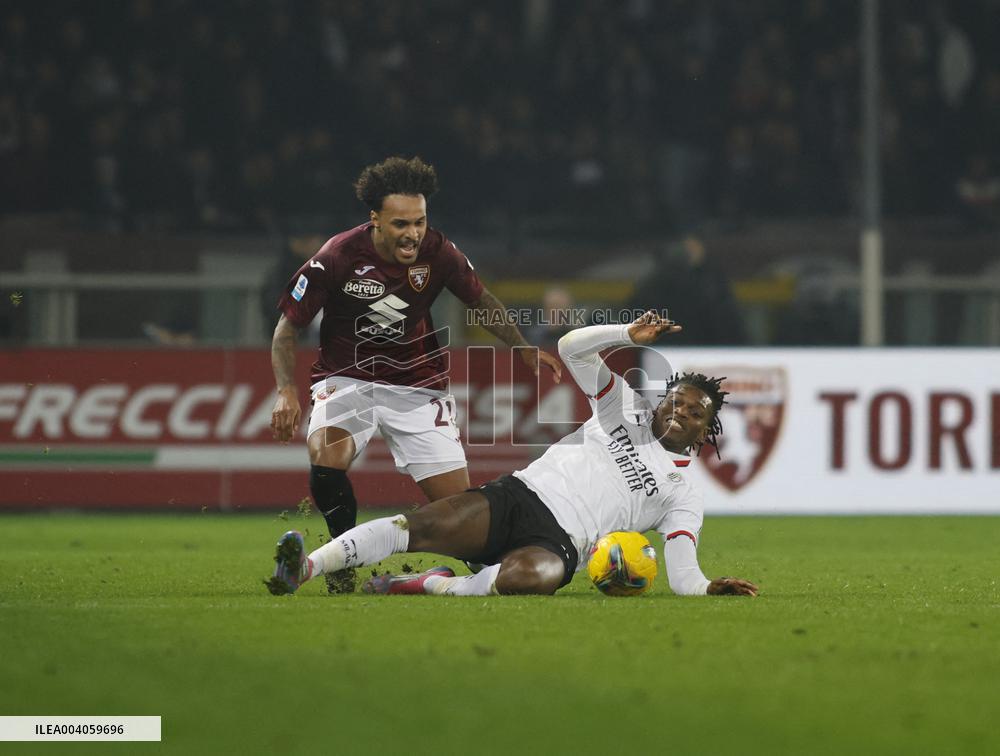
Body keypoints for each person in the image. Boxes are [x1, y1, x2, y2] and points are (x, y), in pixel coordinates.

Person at [266, 312, 758, 598]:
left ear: (703, 434)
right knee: (420, 526)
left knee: (531, 578)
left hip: (563, 543)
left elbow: (684, 572)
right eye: (675, 400)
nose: (679, 413)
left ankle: (431, 585)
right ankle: (305, 568)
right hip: (521, 496)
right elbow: (570, 347)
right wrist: (626, 335)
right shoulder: (623, 408)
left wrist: (709, 587)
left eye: (694, 413)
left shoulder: (683, 494)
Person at [269, 156, 562, 594]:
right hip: (348, 378)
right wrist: (287, 393)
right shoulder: (337, 256)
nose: (412, 234)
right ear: (375, 221)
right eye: (401, 224)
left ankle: (482, 573)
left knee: (460, 516)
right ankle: (340, 563)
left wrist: (520, 347)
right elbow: (286, 331)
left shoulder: (439, 252)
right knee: (327, 456)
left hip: (418, 386)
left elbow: (481, 300)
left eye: (419, 222)